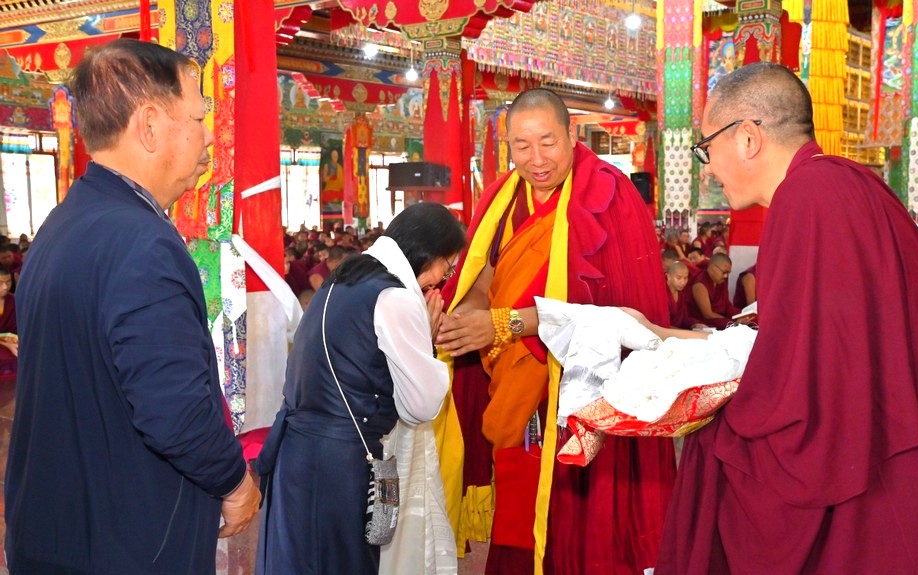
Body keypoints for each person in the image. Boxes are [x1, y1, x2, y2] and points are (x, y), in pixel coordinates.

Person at [656, 61, 918, 574]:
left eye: (705, 149)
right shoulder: (845, 182)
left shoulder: (808, 198)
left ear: (746, 138)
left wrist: (711, 419)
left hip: (907, 475)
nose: (707, 168)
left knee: (714, 453)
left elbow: (817, 392)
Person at [4, 39, 260, 574]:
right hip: (126, 542)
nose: (209, 136)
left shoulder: (63, 225)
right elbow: (175, 410)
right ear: (148, 126)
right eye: (198, 118)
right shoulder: (143, 243)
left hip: (57, 526)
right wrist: (235, 482)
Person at [436, 88, 674, 575]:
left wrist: (503, 323)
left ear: (570, 135)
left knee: (582, 521)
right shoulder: (502, 199)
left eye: (548, 142)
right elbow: (481, 278)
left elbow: (617, 314)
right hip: (518, 386)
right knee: (520, 514)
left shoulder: (608, 195)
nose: (537, 159)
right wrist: (467, 319)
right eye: (522, 146)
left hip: (584, 390)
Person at [256, 202, 464, 574]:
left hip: (298, 451)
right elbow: (422, 404)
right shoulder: (395, 297)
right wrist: (427, 340)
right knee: (342, 562)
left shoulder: (347, 277)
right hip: (341, 462)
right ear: (429, 253)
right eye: (446, 268)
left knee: (302, 560)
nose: (440, 281)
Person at [687, 252, 741, 329]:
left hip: (720, 318)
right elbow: (707, 314)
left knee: (750, 320)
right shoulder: (700, 284)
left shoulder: (720, 281)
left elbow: (727, 305)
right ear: (712, 267)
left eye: (728, 273)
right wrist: (733, 321)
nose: (725, 276)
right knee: (732, 326)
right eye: (724, 272)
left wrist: (741, 315)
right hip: (705, 322)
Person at [0, 266, 17, 374]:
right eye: (0, 283)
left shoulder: (14, 300)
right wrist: (7, 345)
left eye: (8, 282)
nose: (5, 287)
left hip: (11, 340)